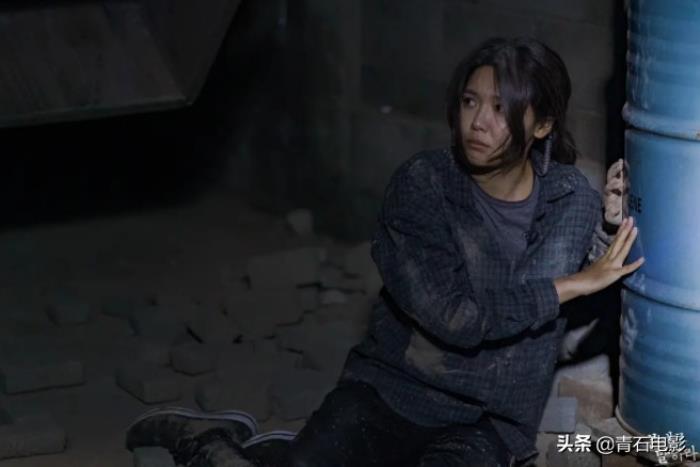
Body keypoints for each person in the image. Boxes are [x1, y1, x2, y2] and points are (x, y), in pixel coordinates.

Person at [125, 37, 642, 467]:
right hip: (394, 393)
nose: (479, 122)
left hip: (491, 422)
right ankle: (213, 442)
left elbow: (567, 294)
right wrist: (572, 283)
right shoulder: (423, 186)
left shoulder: (570, 198)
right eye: (470, 102)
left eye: (502, 108)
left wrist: (605, 232)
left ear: (543, 125)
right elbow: (457, 317)